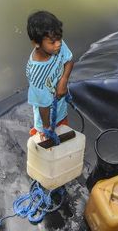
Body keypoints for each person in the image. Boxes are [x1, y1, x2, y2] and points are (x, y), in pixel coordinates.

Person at [26, 10, 74, 139]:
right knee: (46, 140)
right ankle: (40, 132)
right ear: (36, 43)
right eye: (52, 42)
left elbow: (69, 61)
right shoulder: (36, 74)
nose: (58, 44)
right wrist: (47, 129)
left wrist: (63, 80)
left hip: (61, 109)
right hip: (46, 118)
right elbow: (43, 107)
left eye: (59, 38)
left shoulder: (58, 44)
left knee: (63, 130)